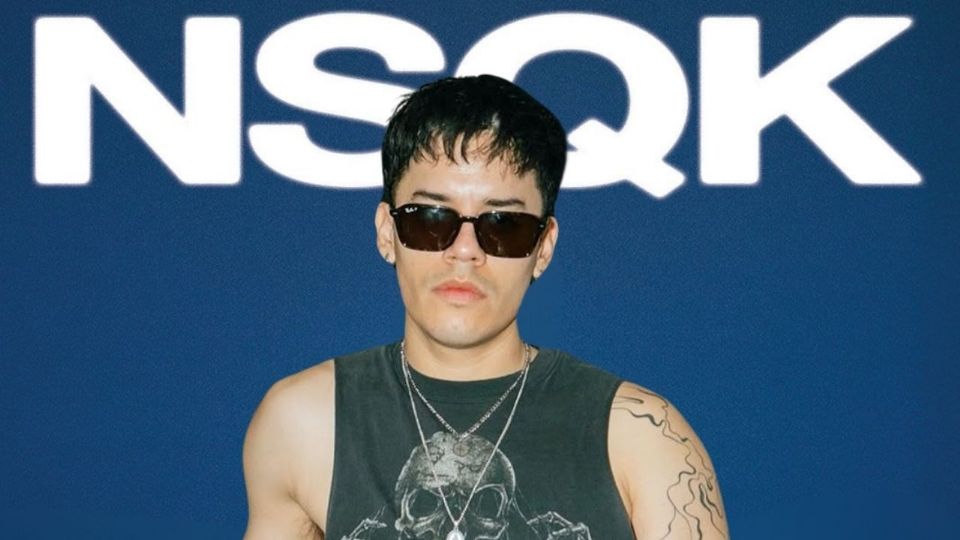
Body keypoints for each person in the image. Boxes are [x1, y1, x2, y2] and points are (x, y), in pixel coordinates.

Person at [242, 74, 729, 540]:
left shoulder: (641, 436)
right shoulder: (304, 423)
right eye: (431, 219)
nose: (464, 251)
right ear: (387, 233)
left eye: (503, 226)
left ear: (543, 247)